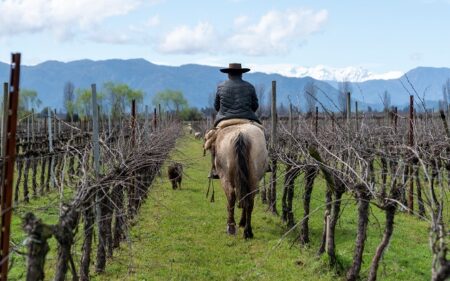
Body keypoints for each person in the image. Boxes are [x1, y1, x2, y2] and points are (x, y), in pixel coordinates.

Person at [208, 63, 261, 179]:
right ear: (241, 73)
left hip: (225, 120)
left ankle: (214, 169)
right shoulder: (250, 86)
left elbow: (217, 107)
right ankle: (265, 163)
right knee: (262, 135)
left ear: (228, 74)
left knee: (212, 141)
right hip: (247, 119)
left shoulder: (220, 87)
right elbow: (255, 106)